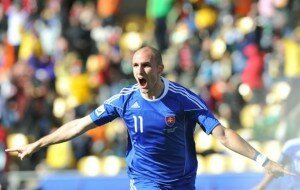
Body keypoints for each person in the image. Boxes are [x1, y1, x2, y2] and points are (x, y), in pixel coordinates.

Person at [6, 46, 293, 189]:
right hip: (145, 180)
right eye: (135, 66)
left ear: (160, 68)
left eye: (146, 65)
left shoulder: (183, 99)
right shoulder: (125, 100)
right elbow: (80, 124)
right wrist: (38, 144)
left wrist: (263, 161)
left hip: (182, 181)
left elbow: (222, 134)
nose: (140, 72)